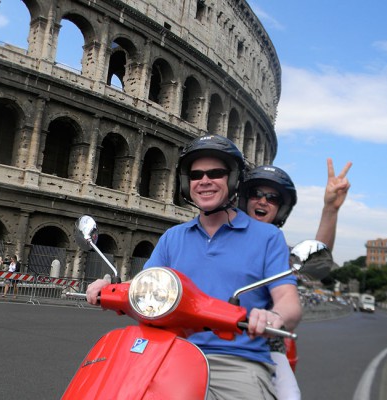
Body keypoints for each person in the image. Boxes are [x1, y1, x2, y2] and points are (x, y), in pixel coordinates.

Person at [87, 134, 302, 400]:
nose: (205, 181)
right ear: (187, 184)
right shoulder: (173, 237)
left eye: (216, 173)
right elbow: (144, 289)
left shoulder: (267, 237)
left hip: (234, 361)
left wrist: (274, 316)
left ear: (233, 180)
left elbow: (288, 300)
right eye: (197, 175)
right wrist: (109, 289)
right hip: (168, 352)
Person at [238, 158, 352, 400]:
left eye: (272, 198)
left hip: (262, 344)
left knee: (288, 396)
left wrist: (330, 209)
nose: (263, 201)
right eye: (257, 194)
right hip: (202, 337)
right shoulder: (217, 231)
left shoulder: (276, 245)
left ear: (281, 209)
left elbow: (313, 260)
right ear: (244, 198)